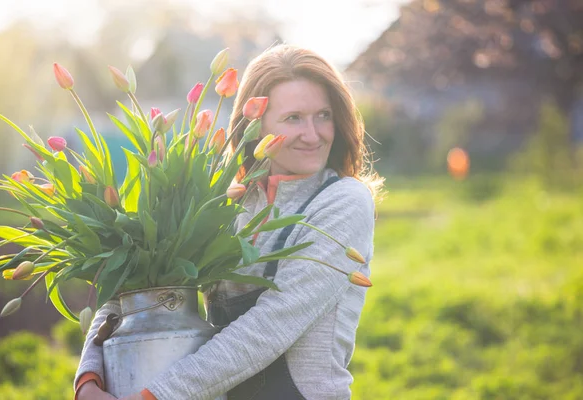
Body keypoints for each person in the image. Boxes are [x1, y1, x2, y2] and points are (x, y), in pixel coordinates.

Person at [75, 44, 383, 400]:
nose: (314, 135)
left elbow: (273, 324)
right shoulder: (221, 198)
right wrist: (88, 379)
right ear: (256, 124)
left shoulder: (343, 200)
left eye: (324, 115)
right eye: (294, 118)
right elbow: (131, 288)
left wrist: (156, 396)